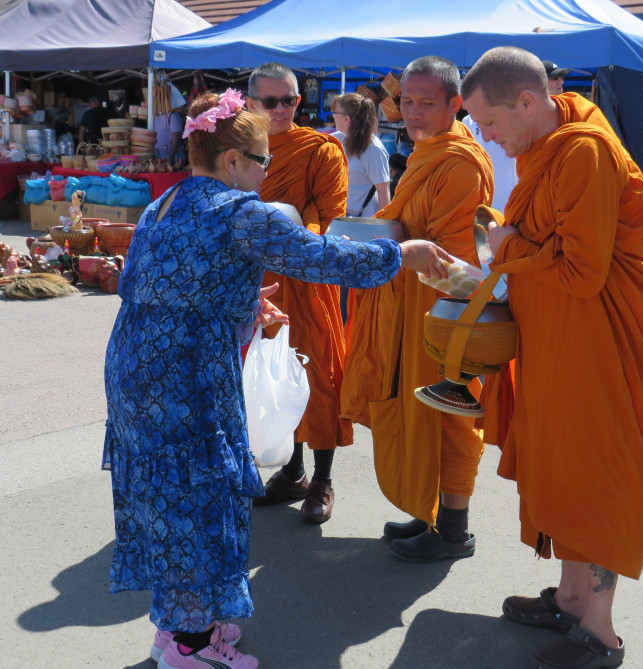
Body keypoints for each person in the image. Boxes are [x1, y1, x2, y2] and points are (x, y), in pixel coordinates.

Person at [103, 88, 451, 669]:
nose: (267, 174)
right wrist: (405, 252)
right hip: (187, 376)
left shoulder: (160, 206)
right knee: (200, 501)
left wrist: (241, 305)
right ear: (233, 161)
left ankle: (180, 629)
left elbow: (146, 286)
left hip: (134, 370)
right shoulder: (244, 213)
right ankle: (189, 649)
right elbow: (329, 259)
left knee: (165, 499)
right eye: (262, 161)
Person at [461, 46, 643, 669]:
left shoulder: (582, 149)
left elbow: (583, 271)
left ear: (528, 101)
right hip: (562, 338)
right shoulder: (549, 140)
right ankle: (569, 596)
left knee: (599, 473)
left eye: (493, 124)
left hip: (602, 342)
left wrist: (505, 248)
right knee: (564, 462)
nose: (489, 138)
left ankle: (600, 630)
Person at [341, 56, 494, 563]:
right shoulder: (428, 153)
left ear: (455, 104)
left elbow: (454, 257)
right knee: (415, 411)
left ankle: (453, 530)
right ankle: (427, 511)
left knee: (448, 413)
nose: (414, 112)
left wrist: (393, 246)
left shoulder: (460, 163)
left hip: (445, 311)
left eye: (428, 103)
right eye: (407, 101)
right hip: (412, 302)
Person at [245, 62, 350, 523]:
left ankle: (323, 480)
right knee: (270, 378)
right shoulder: (240, 148)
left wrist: (285, 228)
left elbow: (333, 219)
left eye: (289, 100)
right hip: (254, 280)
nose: (282, 109)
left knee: (317, 377)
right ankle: (292, 472)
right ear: (250, 103)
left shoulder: (320, 150)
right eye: (270, 102)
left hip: (307, 277)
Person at [330, 92, 391, 217]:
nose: (333, 116)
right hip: (342, 219)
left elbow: (383, 191)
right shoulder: (339, 139)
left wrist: (383, 227)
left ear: (347, 119)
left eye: (334, 113)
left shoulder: (373, 148)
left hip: (363, 222)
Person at [462, 113, 518, 212]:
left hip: (515, 210)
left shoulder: (515, 112)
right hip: (484, 214)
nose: (486, 137)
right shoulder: (468, 122)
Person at [154, 84, 188, 164]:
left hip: (173, 158)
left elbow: (176, 136)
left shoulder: (174, 116)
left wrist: (172, 155)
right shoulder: (157, 115)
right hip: (160, 157)